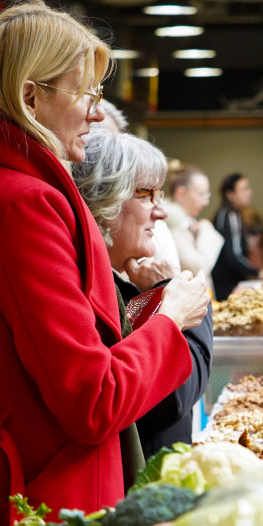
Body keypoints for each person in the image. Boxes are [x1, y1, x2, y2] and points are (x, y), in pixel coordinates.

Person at [0, 0, 209, 526]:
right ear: (32, 98)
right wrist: (171, 319)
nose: (98, 113)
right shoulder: (27, 203)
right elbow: (92, 400)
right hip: (39, 514)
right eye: (87, 93)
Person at [72, 130, 213, 458]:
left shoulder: (114, 282)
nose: (160, 212)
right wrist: (172, 293)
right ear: (103, 201)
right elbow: (173, 398)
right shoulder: (89, 289)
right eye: (146, 194)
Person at [212, 172, 263, 295]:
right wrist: (257, 272)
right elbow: (232, 255)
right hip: (227, 286)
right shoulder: (229, 217)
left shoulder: (231, 214)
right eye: (245, 189)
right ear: (230, 194)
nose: (249, 193)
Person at [164, 162, 223, 278]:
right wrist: (206, 231)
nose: (206, 202)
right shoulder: (171, 224)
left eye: (207, 195)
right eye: (201, 194)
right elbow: (198, 269)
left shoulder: (187, 223)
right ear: (181, 193)